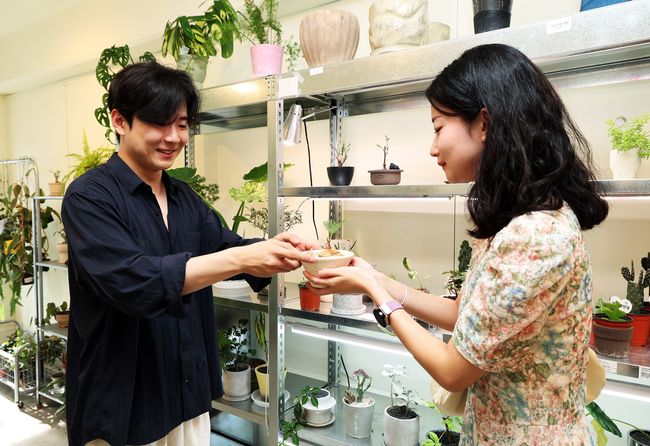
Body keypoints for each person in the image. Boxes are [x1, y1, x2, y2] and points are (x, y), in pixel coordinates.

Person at [305, 44, 608, 445]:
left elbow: (452, 370)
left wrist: (375, 294)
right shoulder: (516, 221)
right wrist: (374, 277)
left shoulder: (534, 235)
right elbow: (463, 315)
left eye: (438, 126)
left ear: (483, 123)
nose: (432, 148)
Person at [61, 61, 316, 446]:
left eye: (181, 124)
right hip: (123, 403)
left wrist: (276, 248)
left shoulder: (184, 198)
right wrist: (242, 258)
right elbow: (134, 281)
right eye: (158, 123)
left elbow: (227, 248)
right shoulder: (89, 197)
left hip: (185, 394)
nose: (173, 137)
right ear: (119, 121)